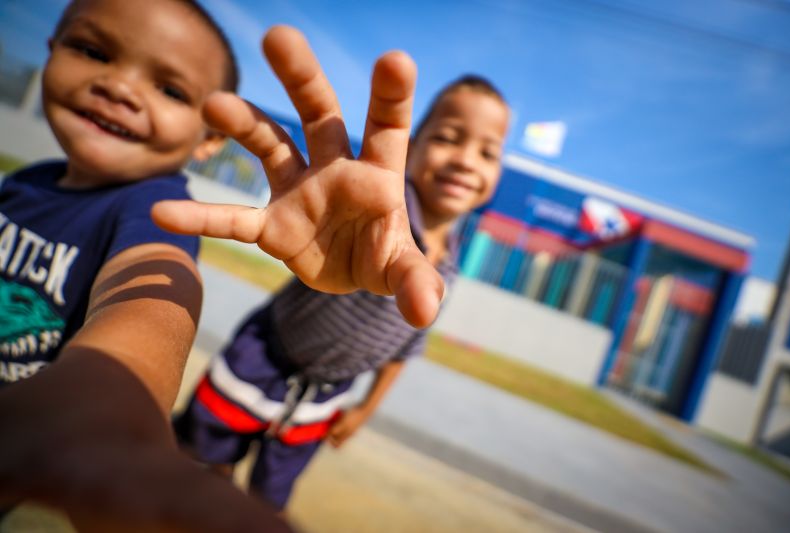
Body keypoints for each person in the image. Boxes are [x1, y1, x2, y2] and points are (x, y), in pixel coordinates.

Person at [0, 0, 442, 530]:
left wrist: (111, 412)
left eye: (170, 90)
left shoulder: (155, 211)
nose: (120, 87)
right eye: (93, 51)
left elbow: (151, 301)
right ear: (51, 51)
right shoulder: (22, 183)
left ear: (210, 138)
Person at [171, 75, 511, 511]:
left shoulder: (451, 264)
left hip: (326, 395)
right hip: (262, 358)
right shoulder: (378, 205)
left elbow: (406, 346)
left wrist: (366, 409)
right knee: (197, 466)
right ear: (410, 149)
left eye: (487, 152)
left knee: (266, 503)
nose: (465, 160)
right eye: (447, 138)